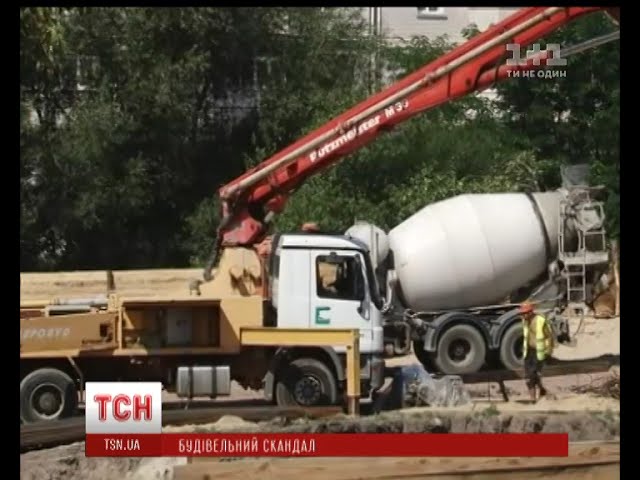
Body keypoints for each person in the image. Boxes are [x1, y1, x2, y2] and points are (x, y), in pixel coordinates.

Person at [520, 302, 555, 403]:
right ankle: (537, 395)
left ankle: (537, 396)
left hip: (539, 352)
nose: (523, 315)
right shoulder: (525, 321)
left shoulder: (540, 321)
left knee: (534, 374)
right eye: (522, 313)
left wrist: (548, 351)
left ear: (531, 312)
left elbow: (549, 336)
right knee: (528, 376)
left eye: (525, 313)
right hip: (529, 351)